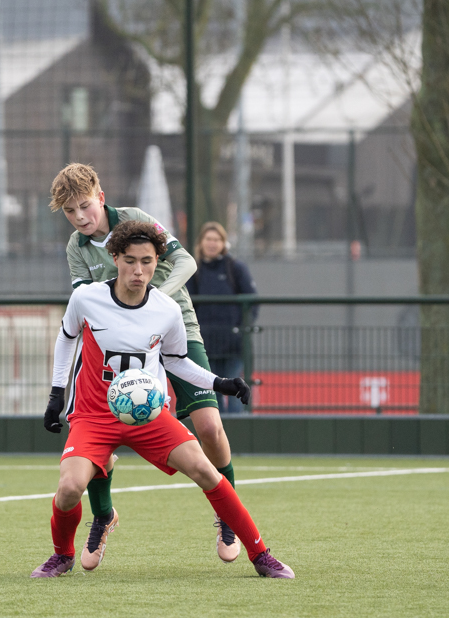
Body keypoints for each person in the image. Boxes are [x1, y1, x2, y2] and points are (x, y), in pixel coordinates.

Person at [33, 221, 293, 579]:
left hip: (148, 416)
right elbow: (66, 339)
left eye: (147, 261)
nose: (138, 271)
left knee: (206, 470)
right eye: (129, 261)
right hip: (93, 415)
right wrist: (56, 395)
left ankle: (261, 554)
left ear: (158, 262)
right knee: (69, 489)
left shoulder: (166, 309)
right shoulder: (86, 298)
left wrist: (221, 382)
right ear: (115, 258)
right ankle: (62, 555)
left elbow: (175, 361)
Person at [47, 163, 243, 566]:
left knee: (209, 425)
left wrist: (156, 302)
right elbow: (85, 307)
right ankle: (103, 517)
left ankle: (227, 515)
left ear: (100, 196)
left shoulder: (136, 220)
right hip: (115, 348)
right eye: (70, 211)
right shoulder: (76, 248)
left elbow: (186, 262)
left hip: (175, 332)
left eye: (85, 205)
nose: (80, 217)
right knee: (101, 433)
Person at [186, 222, 258, 414]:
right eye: (208, 239)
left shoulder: (236, 268)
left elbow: (252, 302)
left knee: (236, 391)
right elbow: (188, 305)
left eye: (217, 240)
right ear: (201, 243)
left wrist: (242, 328)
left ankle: (237, 434)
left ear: (223, 243)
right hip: (206, 344)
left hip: (234, 344)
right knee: (213, 393)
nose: (212, 243)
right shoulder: (195, 270)